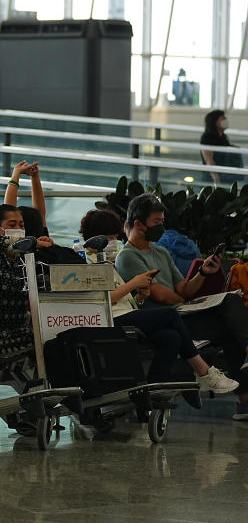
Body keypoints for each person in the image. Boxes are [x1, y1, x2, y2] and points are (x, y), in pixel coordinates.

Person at [115, 194, 248, 419]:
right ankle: (241, 392)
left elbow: (183, 289)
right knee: (229, 307)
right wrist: (186, 302)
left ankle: (243, 396)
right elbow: (163, 296)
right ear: (138, 224)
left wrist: (203, 273)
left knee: (230, 322)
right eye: (157, 222)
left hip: (181, 313)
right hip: (161, 317)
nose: (162, 227)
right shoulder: (127, 257)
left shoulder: (161, 252)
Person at [79, 209, 237, 392]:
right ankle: (204, 371)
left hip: (126, 313)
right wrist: (133, 283)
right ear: (95, 238)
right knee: (170, 315)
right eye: (109, 237)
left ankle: (153, 389)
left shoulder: (108, 262)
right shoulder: (86, 264)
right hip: (108, 319)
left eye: (114, 236)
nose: (113, 241)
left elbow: (123, 300)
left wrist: (139, 297)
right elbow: (103, 300)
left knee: (172, 337)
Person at [0, 204, 53, 377]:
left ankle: (37, 391)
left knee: (49, 340)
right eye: (12, 225)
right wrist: (31, 242)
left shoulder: (23, 257)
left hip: (15, 330)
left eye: (21, 225)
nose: (18, 229)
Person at [3, 160, 48, 237]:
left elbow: (8, 209)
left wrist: (16, 174)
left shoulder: (15, 241)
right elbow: (40, 214)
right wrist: (35, 176)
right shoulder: (43, 240)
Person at [200, 109, 243, 186]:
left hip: (225, 176)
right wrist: (217, 180)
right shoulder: (207, 138)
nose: (226, 120)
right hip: (212, 179)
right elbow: (208, 160)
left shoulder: (223, 137)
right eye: (223, 118)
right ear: (215, 122)